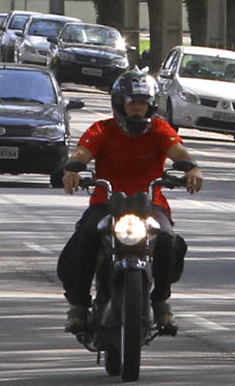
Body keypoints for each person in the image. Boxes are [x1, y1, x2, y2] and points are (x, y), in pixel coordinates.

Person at [59, 71, 201, 336]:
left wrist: (192, 168)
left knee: (168, 239)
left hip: (150, 204)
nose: (137, 107)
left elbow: (178, 152)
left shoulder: (160, 129)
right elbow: (82, 152)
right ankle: (78, 306)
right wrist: (73, 169)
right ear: (119, 103)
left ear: (151, 105)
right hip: (107, 202)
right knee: (86, 236)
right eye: (131, 102)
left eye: (142, 102)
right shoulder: (102, 129)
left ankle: (160, 301)